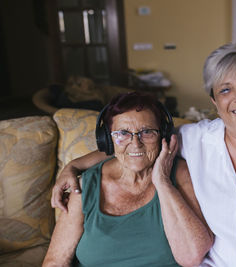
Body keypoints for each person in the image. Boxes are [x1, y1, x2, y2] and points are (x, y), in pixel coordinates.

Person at [52, 42, 236, 266]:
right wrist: (73, 166)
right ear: (214, 101)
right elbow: (138, 147)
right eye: (225, 90)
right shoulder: (197, 139)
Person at [43, 92, 213, 267]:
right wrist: (72, 166)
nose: (135, 143)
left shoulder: (181, 174)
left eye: (147, 132)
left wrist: (162, 182)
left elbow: (193, 255)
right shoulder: (86, 185)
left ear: (162, 136)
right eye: (123, 133)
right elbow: (55, 261)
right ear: (108, 139)